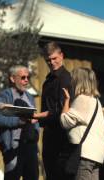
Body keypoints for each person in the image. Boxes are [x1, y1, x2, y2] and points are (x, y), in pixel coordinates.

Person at [0, 65, 40, 180]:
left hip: (30, 147)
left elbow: (35, 117)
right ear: (13, 79)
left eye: (28, 77)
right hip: (13, 147)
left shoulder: (30, 97)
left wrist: (36, 134)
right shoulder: (5, 96)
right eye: (23, 77)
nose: (26, 80)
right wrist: (18, 121)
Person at [60, 67, 104, 180]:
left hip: (84, 154)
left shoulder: (82, 99)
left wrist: (66, 100)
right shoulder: (96, 101)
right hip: (95, 155)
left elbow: (64, 121)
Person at [40, 41, 74, 180]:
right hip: (49, 136)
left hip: (62, 138)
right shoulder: (47, 81)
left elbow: (61, 111)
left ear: (61, 56)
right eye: (48, 60)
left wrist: (37, 116)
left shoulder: (66, 78)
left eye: (54, 58)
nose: (52, 62)